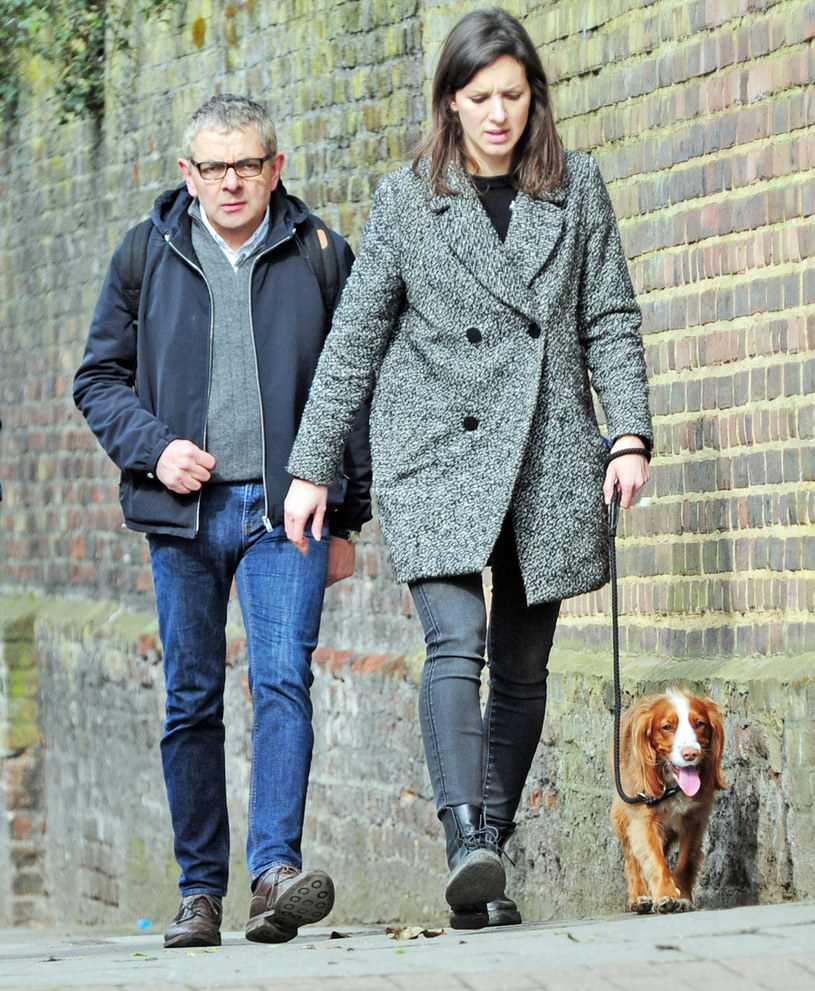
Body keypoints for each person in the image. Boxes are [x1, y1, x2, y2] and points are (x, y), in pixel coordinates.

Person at [283, 8, 651, 930]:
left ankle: (486, 854)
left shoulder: (579, 189)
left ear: (535, 102)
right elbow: (355, 339)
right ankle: (467, 842)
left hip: (547, 453)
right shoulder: (408, 199)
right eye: (480, 97)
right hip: (434, 454)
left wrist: (630, 433)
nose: (498, 115)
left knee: (524, 670)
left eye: (513, 98)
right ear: (450, 101)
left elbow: (609, 316)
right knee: (455, 639)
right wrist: (311, 468)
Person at [74, 94, 371, 948]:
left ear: (276, 168)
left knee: (282, 679)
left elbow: (353, 388)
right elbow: (98, 379)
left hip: (290, 512)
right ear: (187, 174)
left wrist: (348, 512)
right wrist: (156, 448)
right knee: (190, 699)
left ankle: (274, 872)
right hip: (184, 515)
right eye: (213, 166)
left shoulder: (319, 254)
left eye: (248, 164)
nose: (231, 181)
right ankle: (198, 892)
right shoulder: (147, 255)